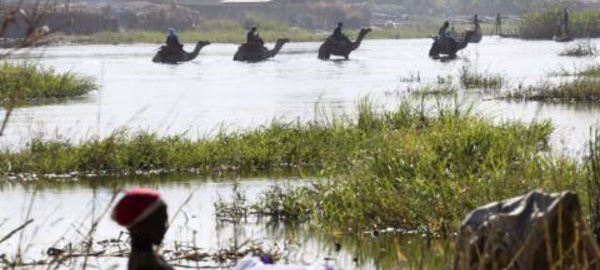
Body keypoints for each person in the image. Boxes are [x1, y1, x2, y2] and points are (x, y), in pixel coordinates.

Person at [112, 188, 174, 270]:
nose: (164, 227)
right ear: (137, 227)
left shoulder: (140, 258)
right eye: (159, 222)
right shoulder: (147, 265)